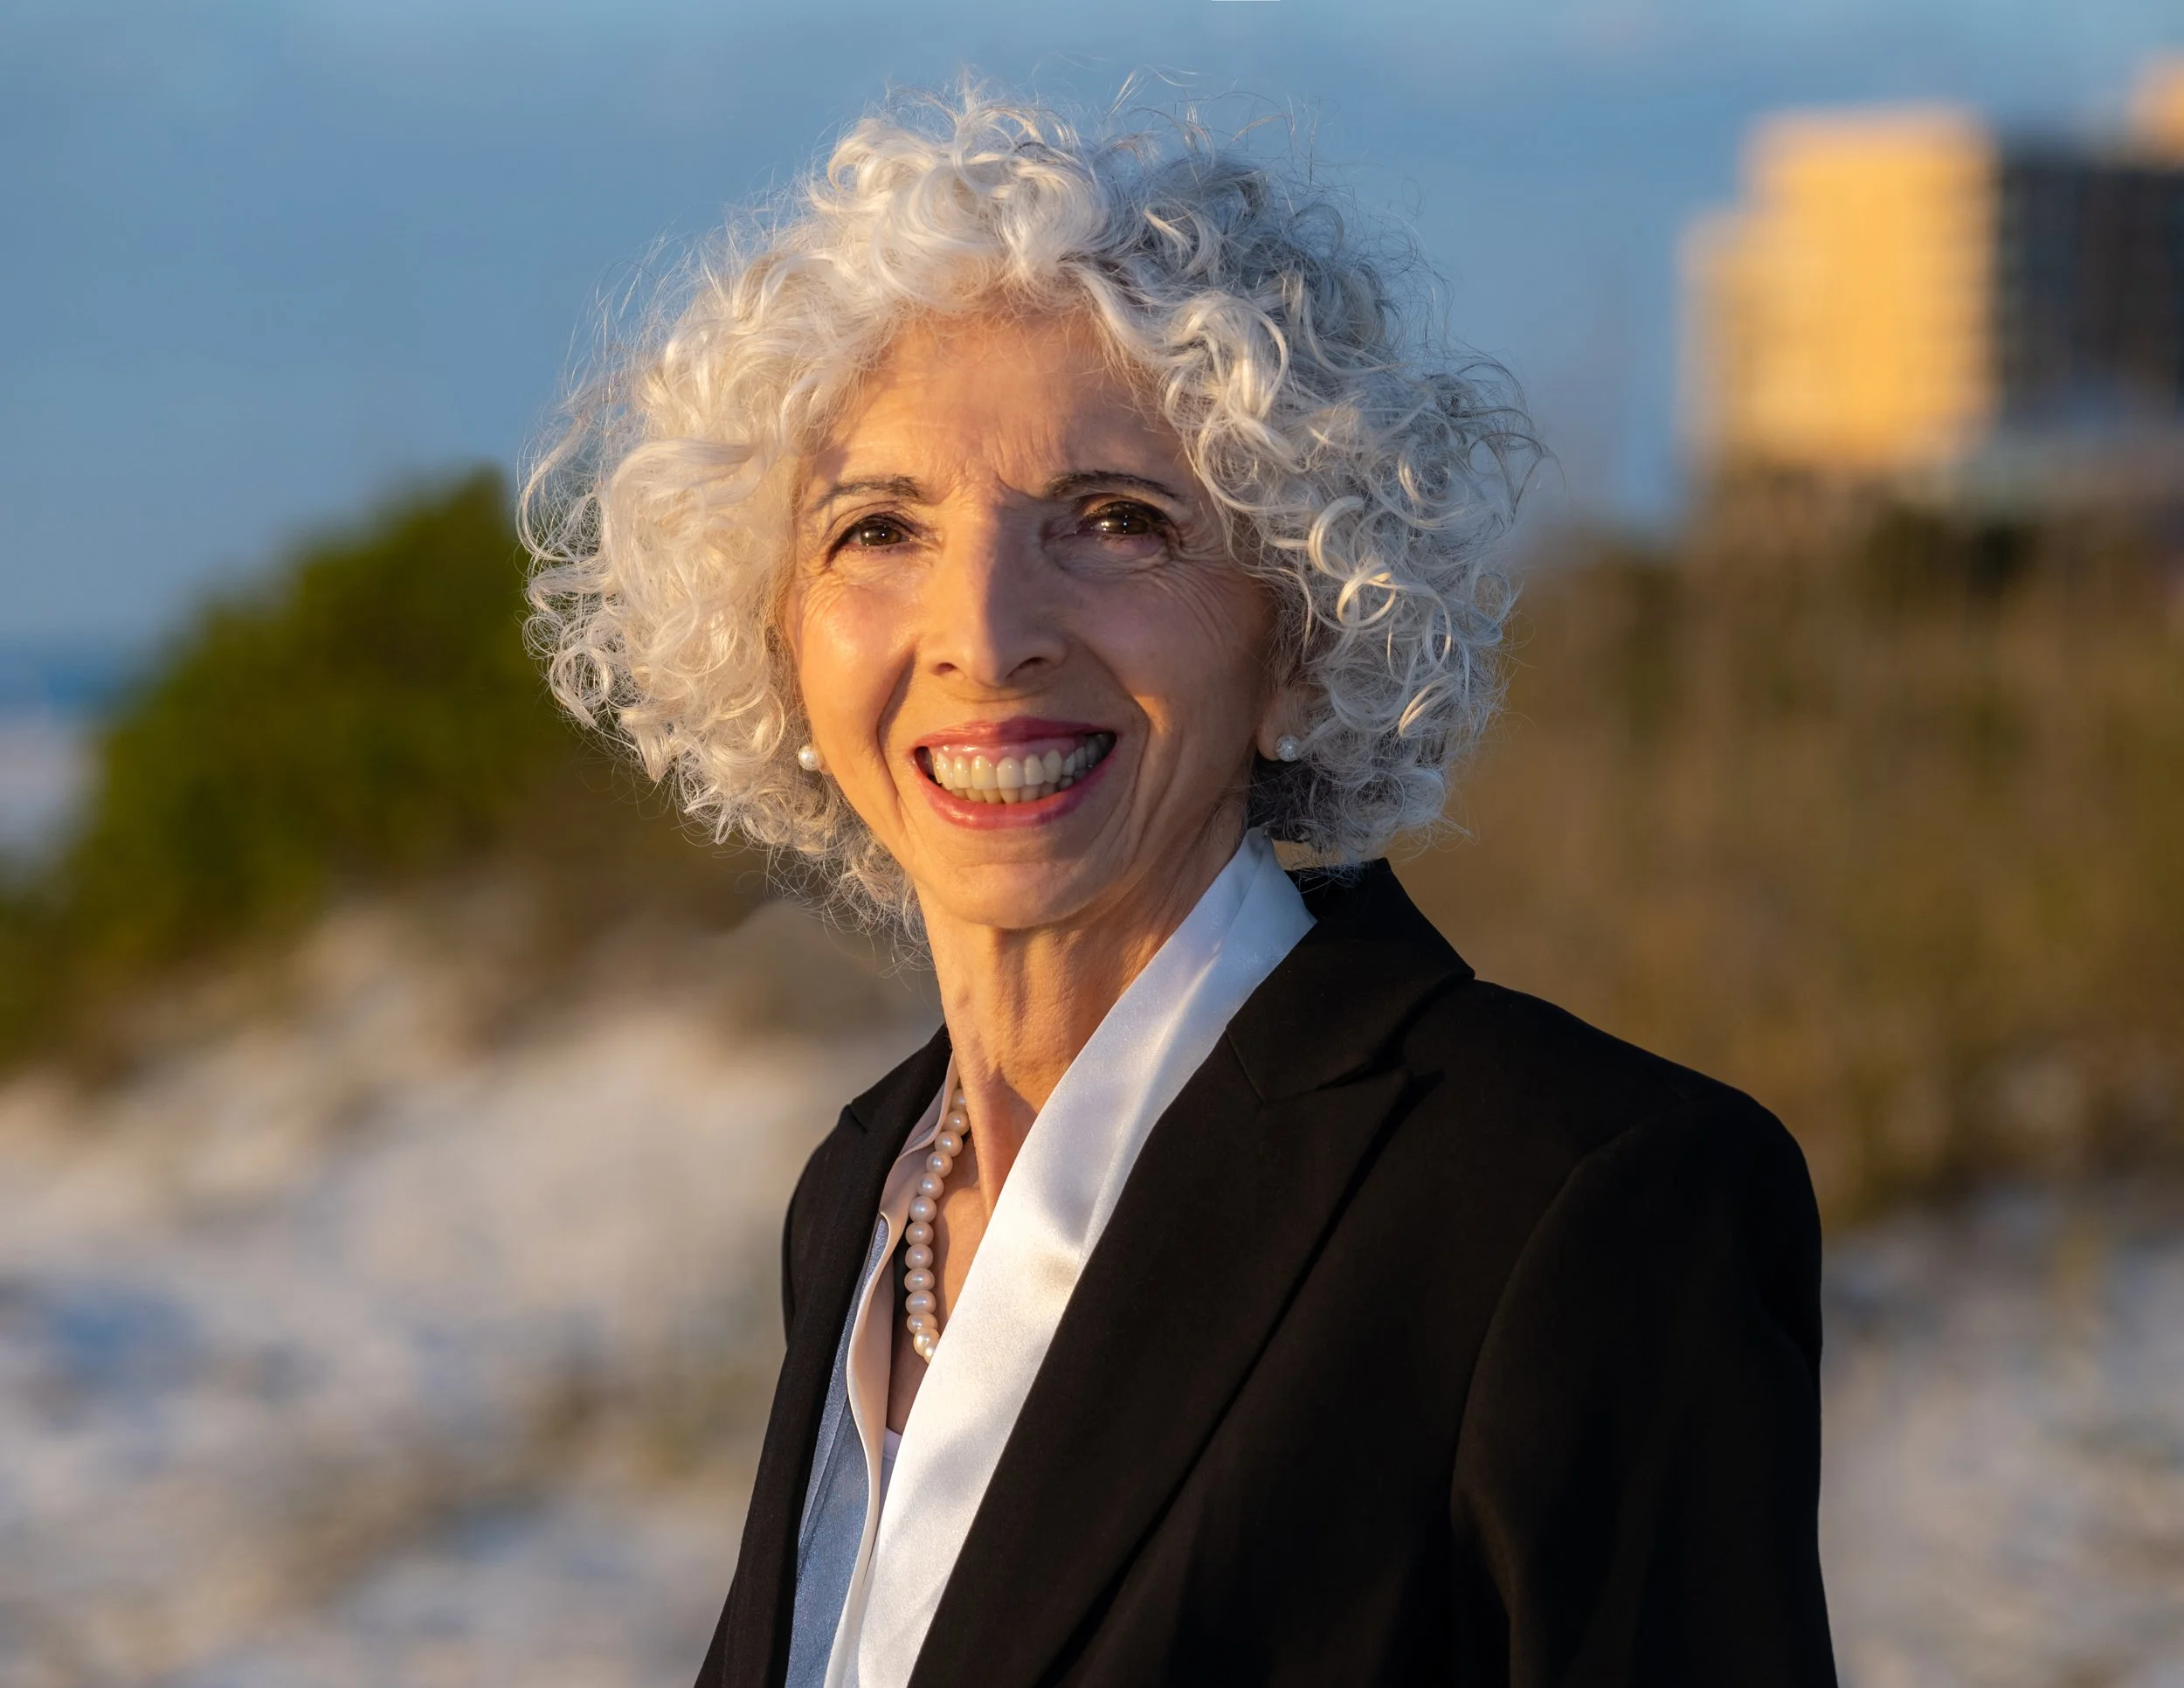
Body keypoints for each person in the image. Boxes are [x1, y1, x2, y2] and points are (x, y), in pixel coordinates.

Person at [524, 81, 1836, 1688]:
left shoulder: (1576, 1203)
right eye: (879, 529)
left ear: (1301, 641)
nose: (986, 631)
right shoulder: (859, 1200)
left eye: (1117, 521)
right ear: (779, 642)